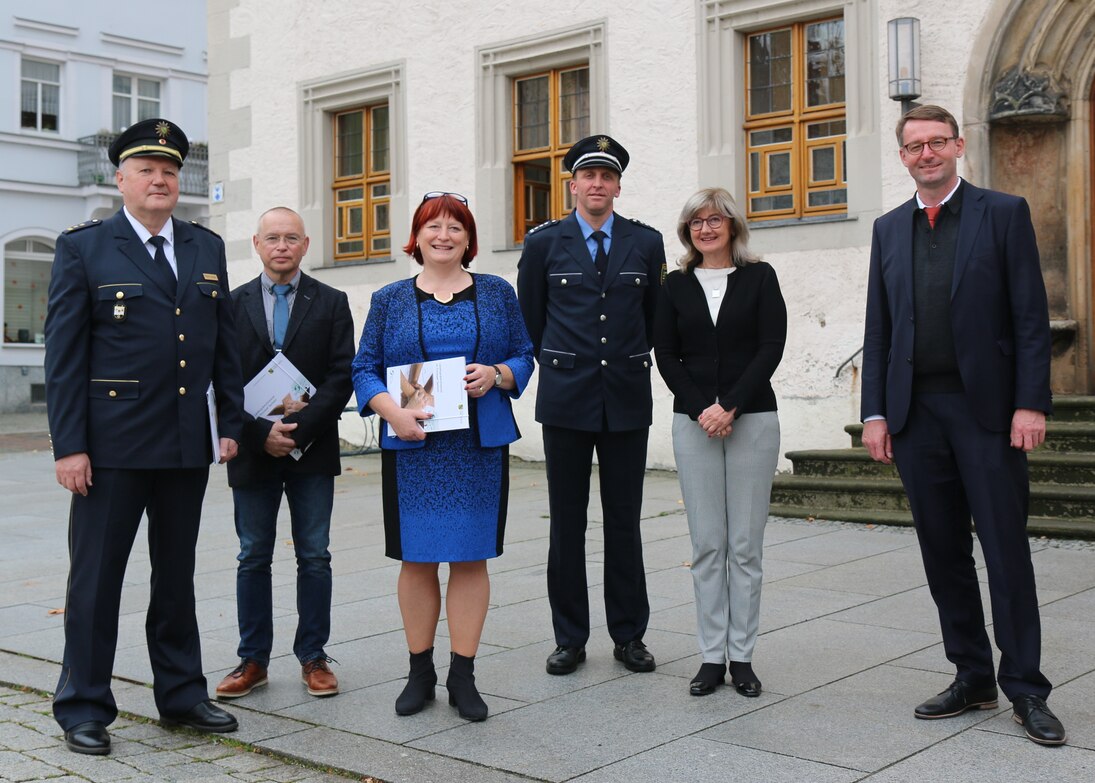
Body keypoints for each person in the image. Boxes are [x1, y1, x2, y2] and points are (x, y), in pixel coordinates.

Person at [861, 104, 1065, 746]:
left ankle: (1026, 688)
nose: (927, 153)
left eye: (937, 142)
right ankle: (972, 675)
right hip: (916, 416)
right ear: (902, 157)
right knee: (942, 552)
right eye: (915, 145)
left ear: (958, 147)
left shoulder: (1003, 214)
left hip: (989, 415)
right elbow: (880, 327)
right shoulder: (888, 229)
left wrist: (1031, 403)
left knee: (1005, 552)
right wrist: (875, 411)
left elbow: (1030, 315)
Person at [43, 118, 245, 755]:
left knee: (177, 574)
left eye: (170, 171)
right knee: (96, 578)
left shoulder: (205, 247)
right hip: (111, 446)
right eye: (147, 170)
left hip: (187, 441)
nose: (160, 180)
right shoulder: (84, 247)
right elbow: (65, 355)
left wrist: (231, 425)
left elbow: (222, 347)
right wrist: (68, 445)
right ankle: (83, 705)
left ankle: (182, 694)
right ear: (120, 178)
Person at [351, 192, 533, 721]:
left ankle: (463, 675)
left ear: (469, 238)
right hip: (414, 448)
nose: (444, 235)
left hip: (476, 448)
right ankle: (419, 672)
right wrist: (392, 412)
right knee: (417, 559)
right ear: (418, 236)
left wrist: (496, 375)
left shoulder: (497, 293)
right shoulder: (389, 299)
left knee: (470, 558)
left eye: (455, 227)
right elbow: (363, 367)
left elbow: (524, 353)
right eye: (434, 226)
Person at [516, 135, 666, 676]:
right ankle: (570, 637)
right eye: (588, 175)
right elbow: (528, 324)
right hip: (566, 400)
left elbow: (654, 320)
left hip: (626, 397)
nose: (597, 184)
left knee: (624, 521)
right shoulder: (543, 244)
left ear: (618, 186)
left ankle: (629, 636)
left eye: (607, 176)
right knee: (568, 523)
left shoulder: (645, 244)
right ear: (572, 185)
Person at [214, 207, 354, 702]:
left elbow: (342, 376)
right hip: (252, 452)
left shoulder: (332, 301)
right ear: (256, 243)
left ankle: (313, 656)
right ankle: (253, 659)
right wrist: (259, 435)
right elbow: (222, 381)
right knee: (253, 555)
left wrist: (297, 431)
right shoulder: (229, 305)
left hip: (311, 451)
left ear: (305, 244)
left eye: (290, 238)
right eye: (272, 238)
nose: (281, 246)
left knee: (314, 554)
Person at [653, 188, 785, 698]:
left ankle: (742, 657)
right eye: (696, 222)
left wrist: (729, 404)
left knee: (745, 546)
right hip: (693, 422)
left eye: (715, 220)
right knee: (708, 544)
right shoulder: (675, 285)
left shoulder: (760, 277)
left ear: (733, 226)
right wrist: (701, 409)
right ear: (687, 231)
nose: (706, 228)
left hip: (752, 418)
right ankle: (711, 656)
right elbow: (666, 353)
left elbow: (771, 346)